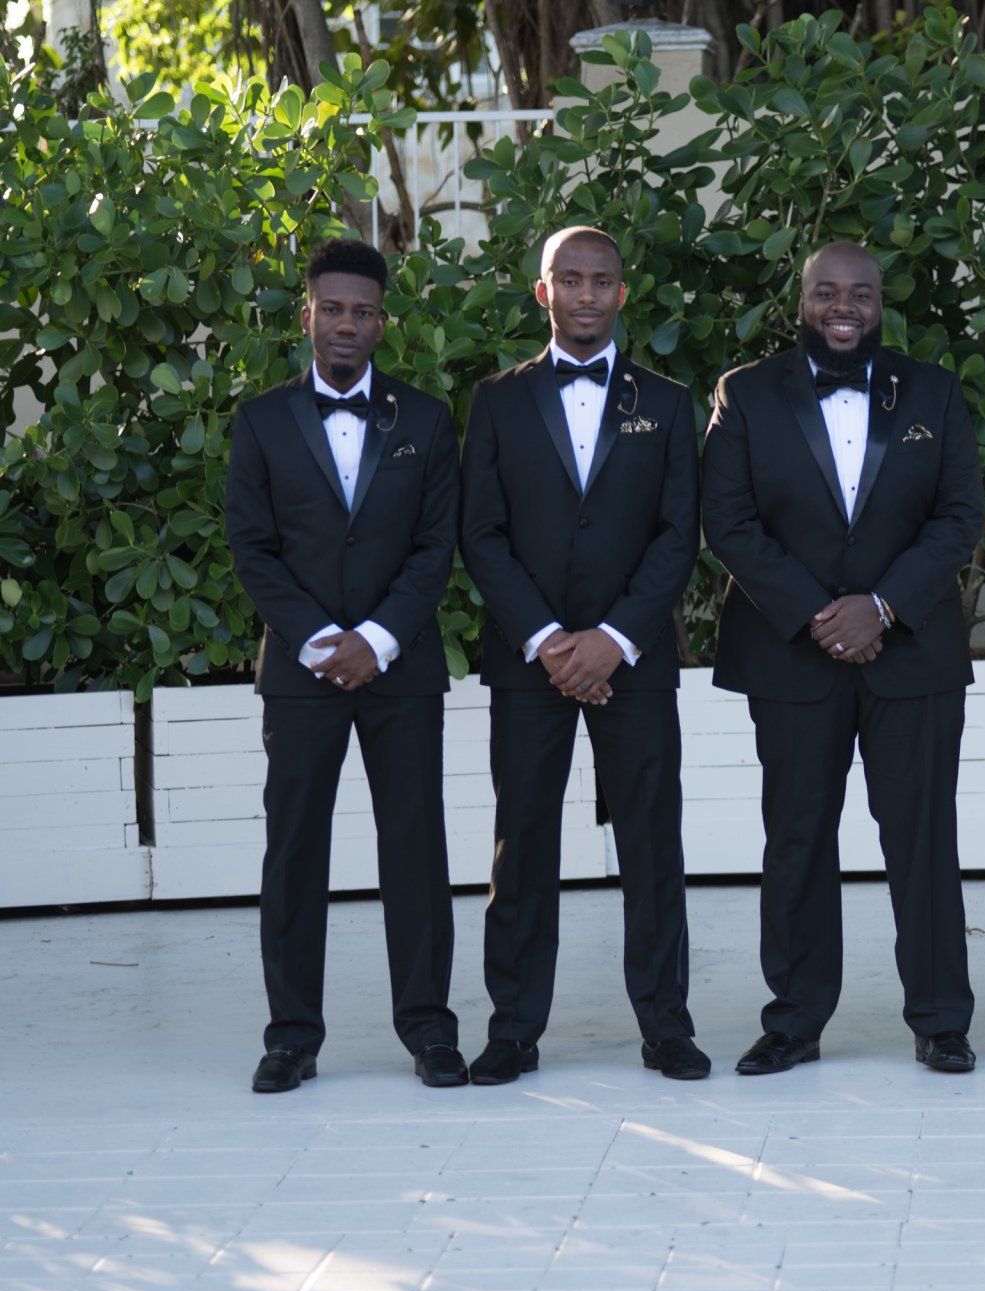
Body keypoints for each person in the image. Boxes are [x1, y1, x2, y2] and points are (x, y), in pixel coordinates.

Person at [702, 241, 985, 1075]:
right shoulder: (747, 394)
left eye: (859, 293)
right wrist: (818, 615)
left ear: (880, 301)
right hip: (792, 653)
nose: (843, 306)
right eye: (827, 291)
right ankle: (793, 1020)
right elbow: (730, 520)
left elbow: (958, 515)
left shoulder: (931, 389)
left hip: (913, 652)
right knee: (796, 840)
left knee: (923, 839)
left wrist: (883, 607)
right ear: (802, 299)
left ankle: (941, 1019)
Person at [460, 225, 707, 1084]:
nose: (587, 295)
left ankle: (666, 1026)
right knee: (520, 845)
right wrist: (548, 641)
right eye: (570, 280)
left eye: (602, 281)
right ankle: (512, 1028)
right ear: (544, 293)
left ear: (622, 294)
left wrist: (613, 639)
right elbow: (480, 534)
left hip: (632, 660)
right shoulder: (496, 400)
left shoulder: (669, 404)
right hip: (528, 662)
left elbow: (681, 534)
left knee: (652, 842)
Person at [226, 237, 465, 1092]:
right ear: (308, 315)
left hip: (401, 670)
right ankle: (291, 1035)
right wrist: (323, 642)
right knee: (294, 852)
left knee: (415, 849)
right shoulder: (259, 420)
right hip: (302, 673)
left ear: (382, 323)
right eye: (333, 308)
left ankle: (430, 1028)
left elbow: (437, 546)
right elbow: (252, 549)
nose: (347, 324)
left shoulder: (427, 420)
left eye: (363, 311)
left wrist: (380, 639)